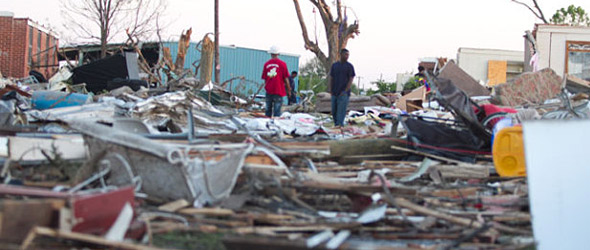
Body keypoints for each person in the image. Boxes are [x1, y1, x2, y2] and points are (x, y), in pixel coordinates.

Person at [328, 48, 355, 127]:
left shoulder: (349, 66)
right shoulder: (335, 65)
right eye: (345, 54)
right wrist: (330, 89)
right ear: (341, 54)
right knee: (334, 110)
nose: (347, 56)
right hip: (334, 92)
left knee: (341, 111)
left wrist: (345, 90)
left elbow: (351, 79)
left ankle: (340, 125)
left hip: (344, 93)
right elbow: (331, 77)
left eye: (348, 55)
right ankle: (336, 124)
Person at [261, 45, 291, 117]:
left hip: (269, 91)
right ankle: (276, 126)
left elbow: (265, 79)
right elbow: (286, 79)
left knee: (268, 111)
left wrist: (267, 88)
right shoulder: (283, 64)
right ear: (278, 54)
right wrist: (289, 90)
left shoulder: (266, 64)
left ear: (271, 53)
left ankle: (267, 126)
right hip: (278, 91)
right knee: (277, 112)